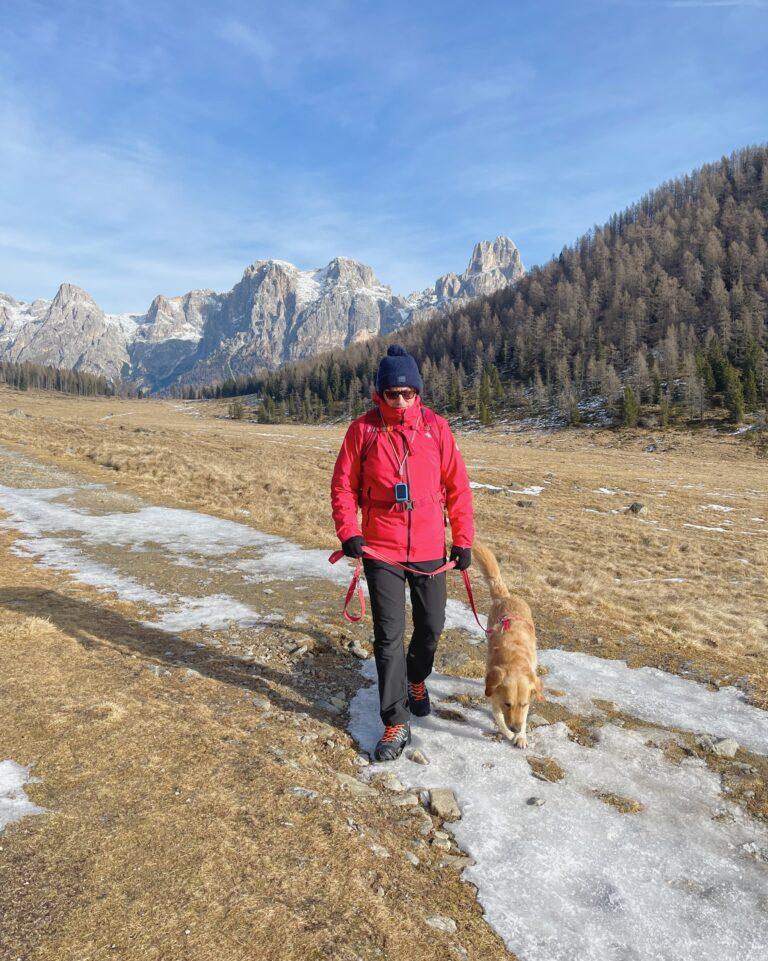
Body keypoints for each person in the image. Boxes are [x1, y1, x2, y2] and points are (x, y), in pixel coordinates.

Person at [330, 344, 474, 761]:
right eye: (392, 394)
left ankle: (417, 678)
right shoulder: (362, 431)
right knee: (387, 637)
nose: (400, 400)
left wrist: (462, 539)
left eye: (407, 393)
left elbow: (458, 489)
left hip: (430, 547)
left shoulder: (437, 429)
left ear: (418, 392)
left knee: (432, 625)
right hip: (381, 549)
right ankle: (395, 720)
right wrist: (349, 532)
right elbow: (343, 487)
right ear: (380, 394)